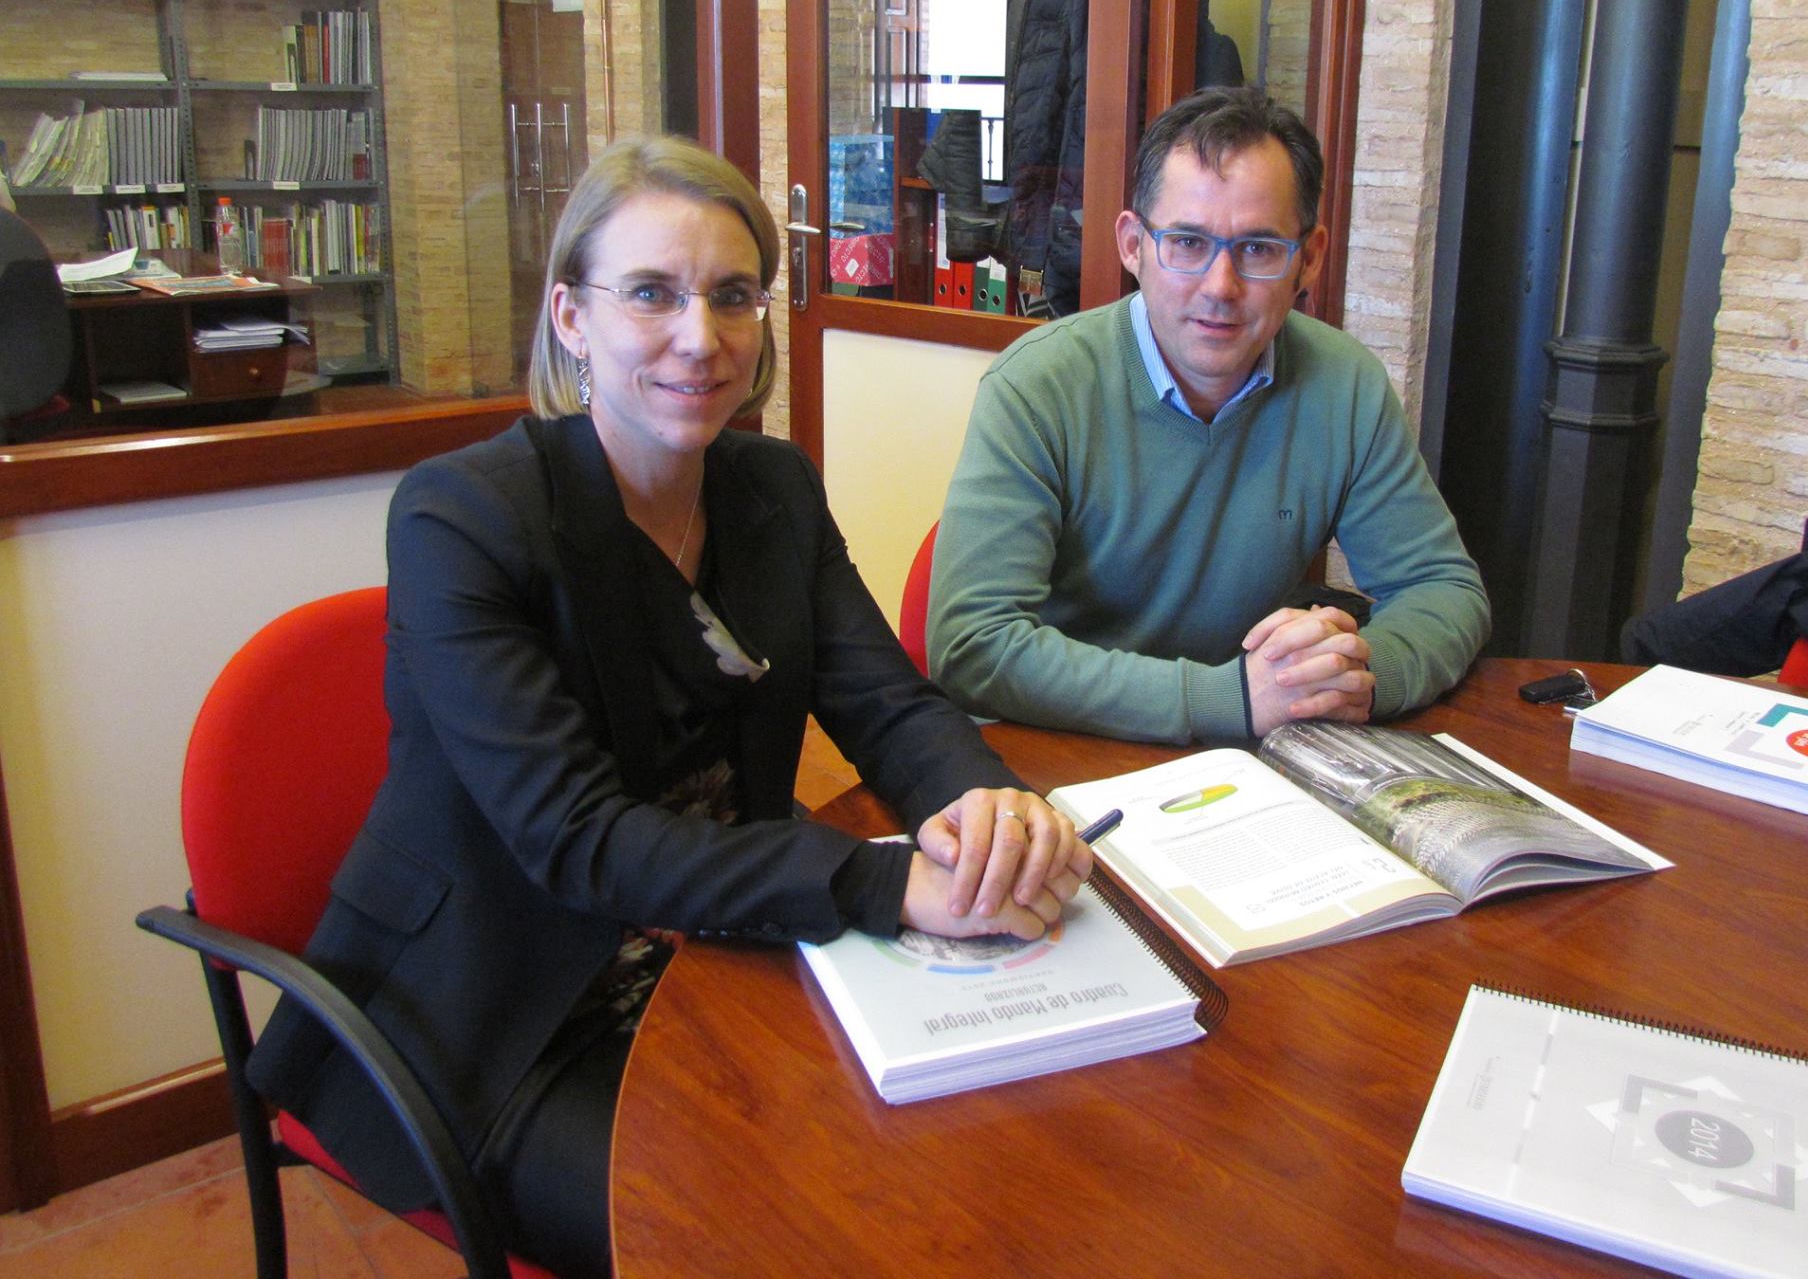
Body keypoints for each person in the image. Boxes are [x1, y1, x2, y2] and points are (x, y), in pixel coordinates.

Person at [246, 136, 1090, 1278]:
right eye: (651, 292)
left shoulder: (772, 488)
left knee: (953, 1163)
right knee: (772, 1234)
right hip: (499, 1013)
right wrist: (887, 883)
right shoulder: (462, 517)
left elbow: (886, 703)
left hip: (708, 951)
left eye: (733, 295)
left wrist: (988, 805)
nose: (702, 336)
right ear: (570, 317)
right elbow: (574, 840)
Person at [928, 86, 1490, 745]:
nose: (1220, 288)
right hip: (1062, 748)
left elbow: (1443, 587)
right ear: (1133, 245)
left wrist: (1357, 675)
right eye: (1188, 243)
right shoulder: (1037, 386)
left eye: (1257, 250)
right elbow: (972, 646)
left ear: (1308, 258)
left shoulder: (1346, 386)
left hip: (1245, 764)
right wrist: (1232, 698)